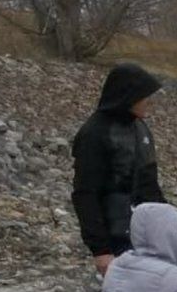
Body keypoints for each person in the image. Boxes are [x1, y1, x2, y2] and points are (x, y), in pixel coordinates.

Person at [71, 62, 166, 276]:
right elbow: (85, 194)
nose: (147, 102)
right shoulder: (94, 134)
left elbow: (149, 184)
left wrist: (167, 225)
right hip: (114, 239)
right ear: (128, 97)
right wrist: (101, 250)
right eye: (143, 96)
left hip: (144, 234)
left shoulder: (140, 129)